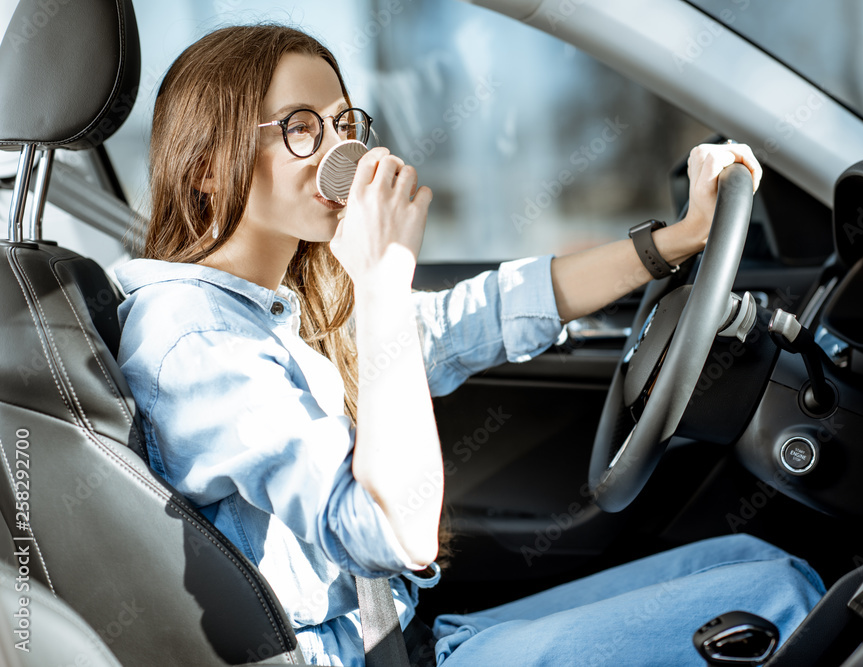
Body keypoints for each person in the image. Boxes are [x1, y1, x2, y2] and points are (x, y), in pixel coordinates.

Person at [114, 24, 825, 667]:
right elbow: (395, 532)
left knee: (749, 561)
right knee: (779, 600)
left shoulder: (284, 310)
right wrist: (384, 276)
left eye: (342, 124)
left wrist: (674, 240)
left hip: (412, 639)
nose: (341, 155)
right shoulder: (196, 337)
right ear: (208, 166)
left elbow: (475, 316)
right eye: (301, 129)